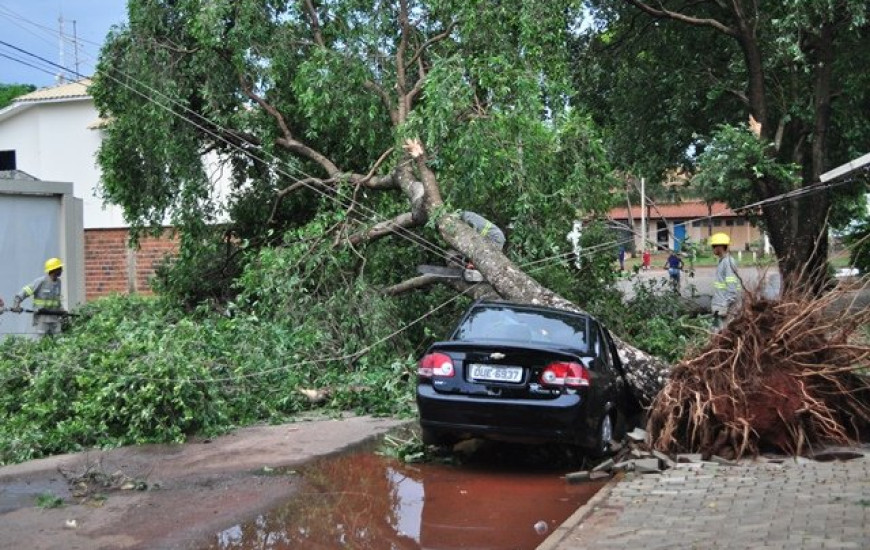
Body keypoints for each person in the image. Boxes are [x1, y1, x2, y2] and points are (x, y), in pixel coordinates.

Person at [10, 257, 66, 337]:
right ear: (54, 269)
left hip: (54, 317)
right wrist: (16, 304)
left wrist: (62, 310)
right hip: (42, 318)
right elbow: (25, 291)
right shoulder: (41, 281)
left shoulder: (58, 282)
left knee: (59, 340)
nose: (62, 270)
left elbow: (57, 300)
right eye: (60, 268)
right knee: (42, 342)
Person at [710, 233, 740, 332]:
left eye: (714, 246)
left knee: (723, 334)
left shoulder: (728, 262)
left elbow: (732, 288)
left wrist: (725, 305)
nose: (712, 248)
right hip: (719, 305)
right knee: (715, 332)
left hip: (725, 306)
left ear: (720, 247)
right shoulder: (722, 261)